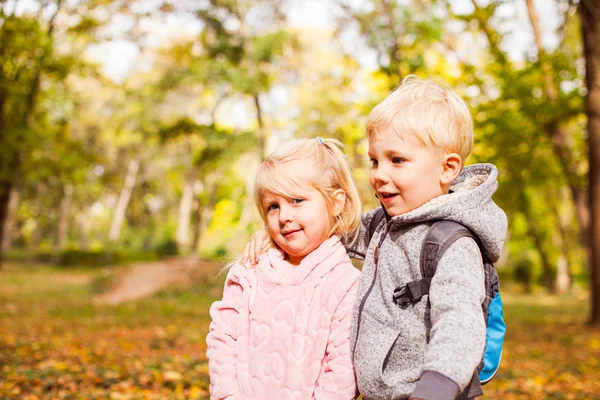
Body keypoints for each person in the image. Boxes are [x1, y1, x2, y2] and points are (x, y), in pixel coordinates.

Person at [244, 75, 508, 400]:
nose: (379, 174)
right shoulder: (385, 223)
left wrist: (435, 390)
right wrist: (273, 236)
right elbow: (330, 231)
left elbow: (460, 325)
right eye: (374, 160)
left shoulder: (451, 243)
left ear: (447, 168)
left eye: (397, 160)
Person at [206, 137, 363, 399]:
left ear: (335, 202)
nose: (284, 216)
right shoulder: (250, 271)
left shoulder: (346, 284)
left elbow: (341, 372)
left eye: (297, 200)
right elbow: (223, 340)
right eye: (273, 206)